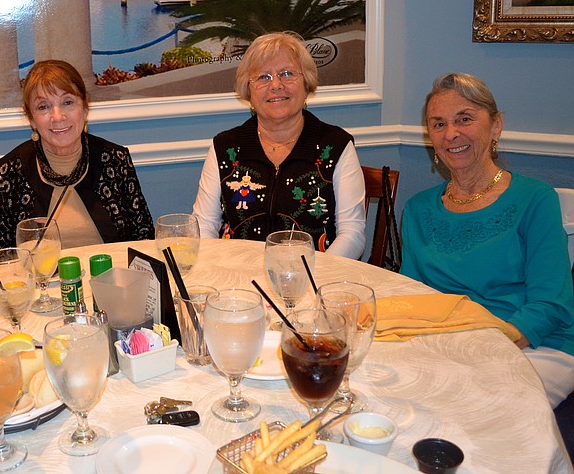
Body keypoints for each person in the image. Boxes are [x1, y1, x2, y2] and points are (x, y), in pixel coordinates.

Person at [401, 72, 574, 408]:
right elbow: (413, 297)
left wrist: (476, 349)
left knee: (466, 407)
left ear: (496, 126)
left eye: (464, 119)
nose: (451, 134)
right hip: (448, 345)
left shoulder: (535, 199)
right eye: (438, 124)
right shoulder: (418, 208)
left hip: (535, 344)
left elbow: (551, 306)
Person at [191, 32, 366, 258]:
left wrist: (313, 276)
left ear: (306, 84)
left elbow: (353, 233)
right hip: (239, 279)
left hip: (314, 280)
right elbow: (203, 226)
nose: (276, 85)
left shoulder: (335, 145)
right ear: (249, 92)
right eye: (263, 77)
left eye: (287, 73)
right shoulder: (225, 148)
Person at [0, 59, 153, 263]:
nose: (57, 116)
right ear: (31, 118)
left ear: (85, 108)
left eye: (68, 102)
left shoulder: (115, 160)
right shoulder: (9, 172)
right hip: (40, 291)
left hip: (109, 286)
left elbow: (145, 241)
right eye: (44, 107)